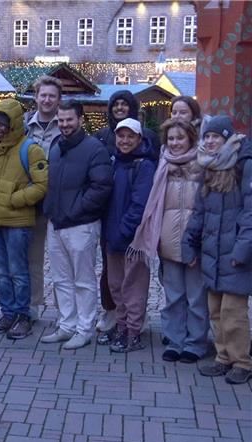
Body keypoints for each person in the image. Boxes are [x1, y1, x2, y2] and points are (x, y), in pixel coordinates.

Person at [128, 119, 208, 362]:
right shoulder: (162, 166)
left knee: (196, 297)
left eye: (180, 138)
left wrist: (198, 242)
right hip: (168, 240)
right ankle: (175, 340)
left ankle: (195, 343)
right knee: (173, 295)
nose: (175, 143)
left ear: (191, 139)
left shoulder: (204, 166)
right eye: (171, 138)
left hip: (195, 242)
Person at [183, 116, 252, 384]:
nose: (210, 141)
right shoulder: (209, 167)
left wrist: (243, 250)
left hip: (235, 253)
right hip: (212, 252)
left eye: (216, 137)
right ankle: (223, 357)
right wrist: (190, 243)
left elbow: (249, 213)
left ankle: (242, 362)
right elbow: (199, 212)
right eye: (207, 137)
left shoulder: (243, 166)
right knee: (215, 310)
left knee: (233, 313)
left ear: (228, 138)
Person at [40, 100, 113, 350]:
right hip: (57, 223)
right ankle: (66, 325)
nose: (64, 124)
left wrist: (75, 210)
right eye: (60, 120)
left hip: (81, 224)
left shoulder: (94, 149)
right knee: (60, 279)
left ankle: (84, 328)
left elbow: (101, 187)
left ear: (80, 119)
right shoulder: (56, 146)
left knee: (83, 280)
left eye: (69, 119)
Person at [93, 90, 161, 336]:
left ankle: (132, 328)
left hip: (130, 232)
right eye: (120, 136)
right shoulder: (111, 154)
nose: (123, 140)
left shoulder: (143, 163)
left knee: (134, 282)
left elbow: (139, 202)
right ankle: (119, 322)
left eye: (129, 136)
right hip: (111, 230)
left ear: (139, 138)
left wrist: (123, 231)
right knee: (114, 281)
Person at [0, 99, 48, 339]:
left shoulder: (30, 149)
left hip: (18, 223)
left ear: (14, 124)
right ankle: (7, 313)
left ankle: (23, 316)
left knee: (19, 271)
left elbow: (41, 186)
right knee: (0, 271)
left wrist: (14, 200)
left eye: (2, 124)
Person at [24, 76, 63, 320]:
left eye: (52, 96)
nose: (47, 99)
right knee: (32, 258)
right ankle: (33, 306)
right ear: (36, 97)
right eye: (43, 95)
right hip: (33, 203)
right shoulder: (25, 125)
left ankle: (65, 311)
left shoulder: (68, 123)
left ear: (59, 100)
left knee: (61, 260)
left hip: (60, 202)